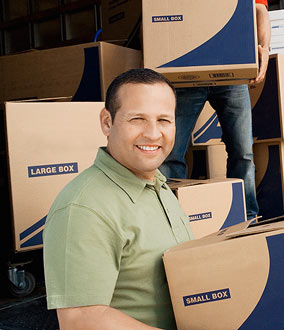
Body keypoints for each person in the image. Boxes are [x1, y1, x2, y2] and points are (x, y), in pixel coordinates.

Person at [43, 68, 194, 330]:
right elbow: (80, 320)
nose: (153, 133)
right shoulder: (84, 207)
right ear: (107, 122)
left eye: (164, 120)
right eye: (137, 119)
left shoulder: (157, 185)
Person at [159, 0, 271, 220]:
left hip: (231, 72)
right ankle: (172, 220)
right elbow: (159, 13)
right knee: (170, 153)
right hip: (187, 72)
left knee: (243, 152)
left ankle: (247, 218)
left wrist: (263, 49)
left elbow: (259, 9)